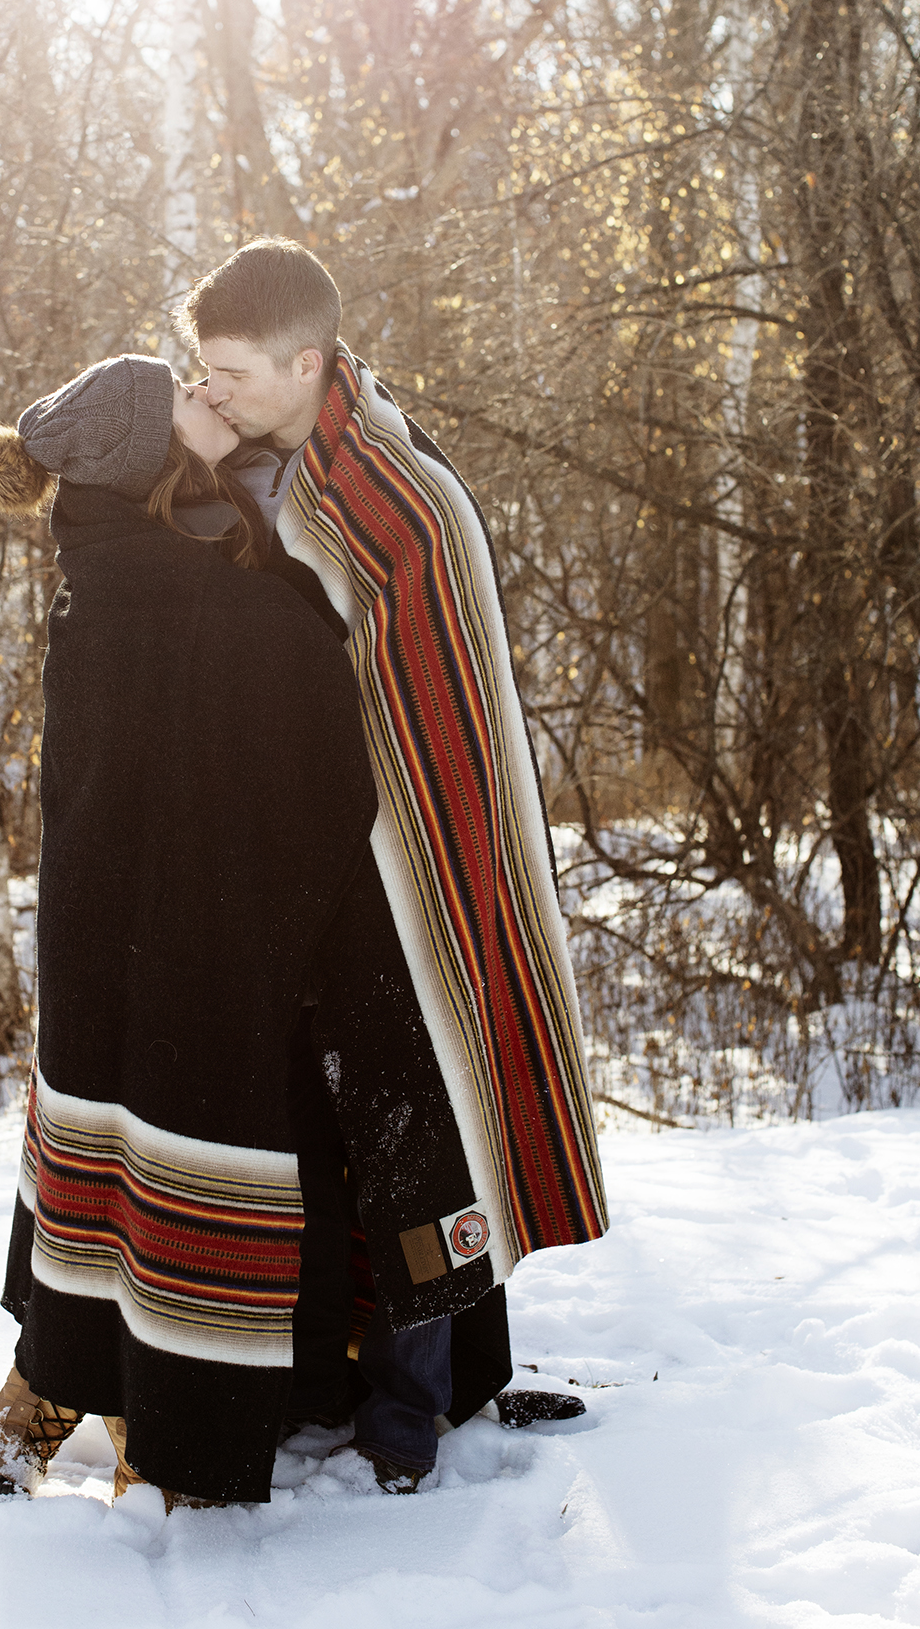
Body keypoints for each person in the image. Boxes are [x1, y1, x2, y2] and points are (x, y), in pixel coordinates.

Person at [180, 237, 609, 1489]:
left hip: (401, 875)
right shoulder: (270, 460)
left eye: (231, 372)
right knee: (321, 1135)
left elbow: (434, 708)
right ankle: (332, 1378)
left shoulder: (382, 488)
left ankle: (410, 1416)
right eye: (199, 370)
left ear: (307, 363)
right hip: (313, 867)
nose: (208, 391)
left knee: (417, 1128)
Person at [0, 353, 382, 1508]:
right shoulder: (207, 593)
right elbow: (330, 779)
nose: (210, 395)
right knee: (188, 1165)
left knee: (100, 1158)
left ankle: (49, 1399)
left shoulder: (98, 566)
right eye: (187, 395)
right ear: (153, 454)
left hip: (96, 943)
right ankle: (171, 1440)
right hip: (199, 953)